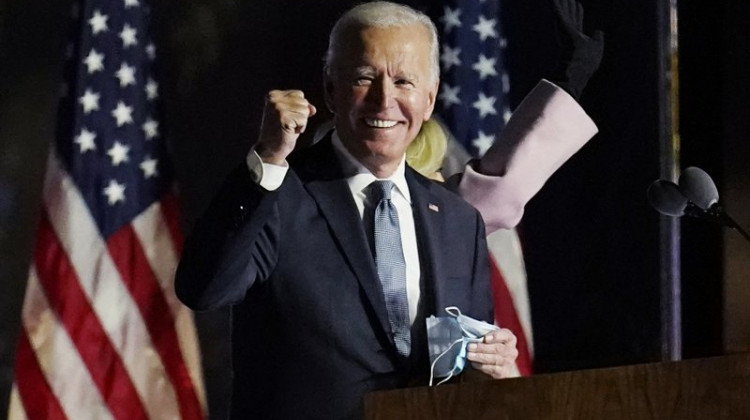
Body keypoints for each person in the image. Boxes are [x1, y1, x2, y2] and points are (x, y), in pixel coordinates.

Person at [175, 2, 518, 419]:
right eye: (364, 78)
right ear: (331, 88)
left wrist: (488, 366)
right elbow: (204, 289)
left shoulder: (458, 220)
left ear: (428, 100)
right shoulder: (279, 194)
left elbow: (463, 368)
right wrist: (268, 158)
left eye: (404, 81)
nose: (384, 100)